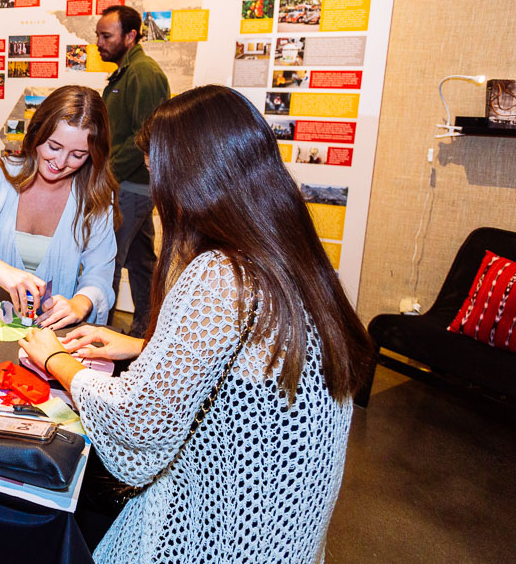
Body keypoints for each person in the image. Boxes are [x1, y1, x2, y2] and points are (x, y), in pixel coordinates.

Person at [19, 85, 373, 564]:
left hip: (218, 536)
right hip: (285, 537)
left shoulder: (220, 272)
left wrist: (57, 359)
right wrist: (141, 347)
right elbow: (248, 370)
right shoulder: (295, 259)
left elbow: (139, 422)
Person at [0, 85, 117, 328]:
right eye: (54, 147)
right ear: (37, 132)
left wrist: (79, 303)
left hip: (54, 335)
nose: (60, 162)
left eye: (77, 155)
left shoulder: (94, 198)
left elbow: (99, 272)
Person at [96, 5, 170, 335]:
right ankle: (145, 332)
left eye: (106, 35)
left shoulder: (143, 74)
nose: (99, 42)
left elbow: (147, 135)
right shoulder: (127, 73)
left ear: (130, 36)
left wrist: (105, 174)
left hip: (129, 187)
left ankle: (96, 337)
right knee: (141, 262)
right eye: (98, 35)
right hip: (129, 186)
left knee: (106, 261)